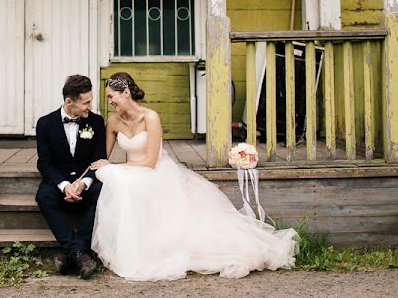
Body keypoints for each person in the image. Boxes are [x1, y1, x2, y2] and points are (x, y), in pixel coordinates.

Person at [90, 72, 297, 281]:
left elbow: (151, 161)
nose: (109, 102)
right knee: (117, 180)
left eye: (111, 96)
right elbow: (103, 158)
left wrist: (116, 167)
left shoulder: (150, 117)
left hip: (156, 172)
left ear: (125, 93)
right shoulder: (113, 122)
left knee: (124, 179)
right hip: (132, 173)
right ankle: (133, 245)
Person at [35, 74, 106, 279]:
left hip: (87, 181)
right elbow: (44, 163)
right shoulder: (45, 124)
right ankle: (80, 254)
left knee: (103, 193)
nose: (89, 106)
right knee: (43, 197)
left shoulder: (96, 122)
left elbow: (99, 157)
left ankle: (71, 254)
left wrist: (83, 184)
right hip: (59, 181)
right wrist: (65, 185)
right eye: (86, 102)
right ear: (69, 101)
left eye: (90, 101)